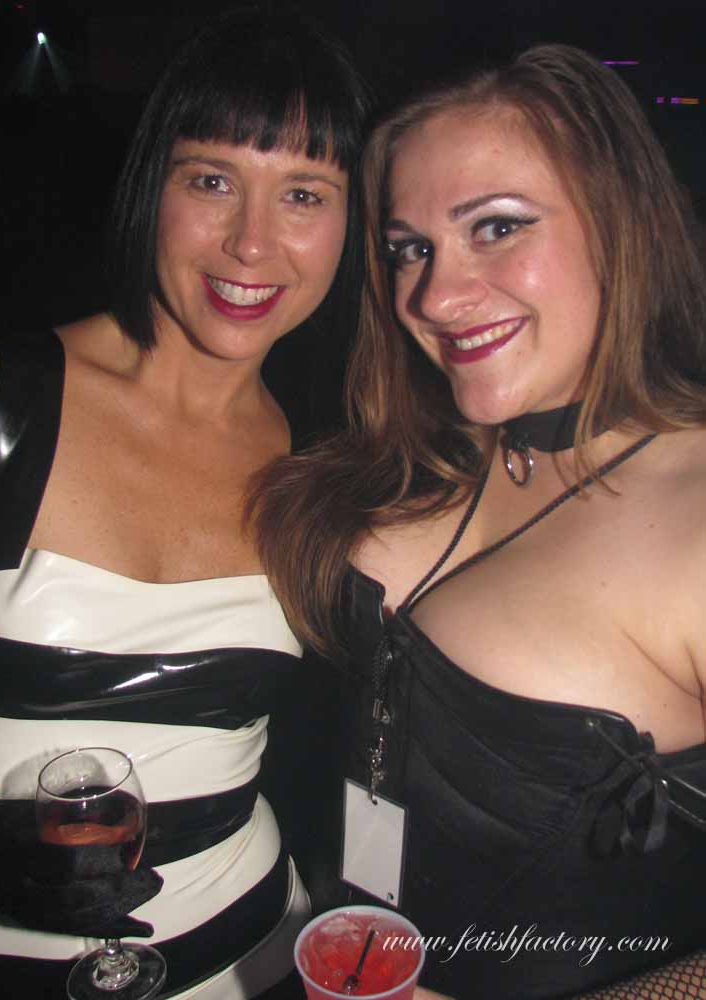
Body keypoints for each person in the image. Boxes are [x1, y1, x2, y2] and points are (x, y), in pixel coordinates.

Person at [252, 44, 706, 1000]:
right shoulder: (425, 453)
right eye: (409, 248)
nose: (435, 296)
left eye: (497, 227)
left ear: (621, 225)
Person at [0, 7, 369, 998]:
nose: (252, 243)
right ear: (153, 185)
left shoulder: (329, 467)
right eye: (212, 180)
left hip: (254, 961)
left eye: (303, 194)